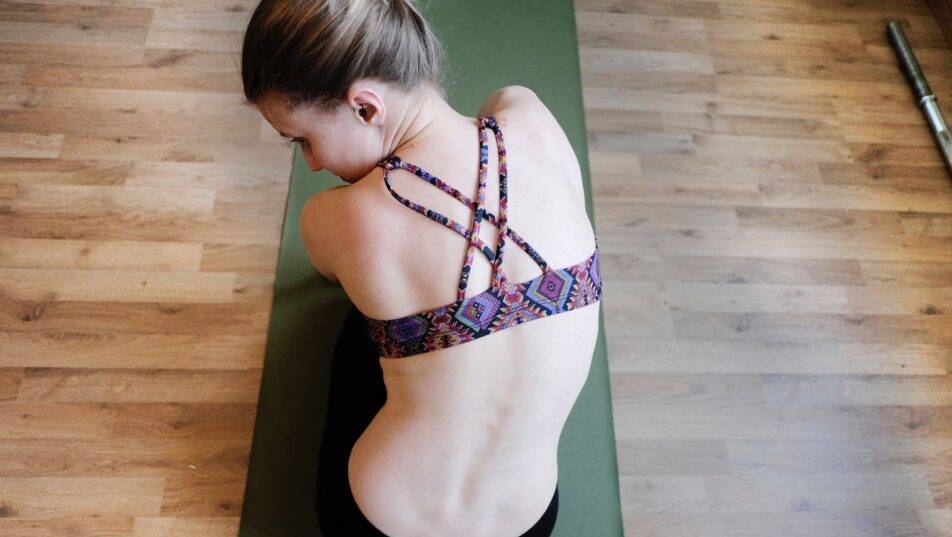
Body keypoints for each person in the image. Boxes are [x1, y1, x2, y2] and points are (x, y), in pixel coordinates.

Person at [240, 1, 602, 535]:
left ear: (365, 107)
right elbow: (501, 100)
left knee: (359, 324)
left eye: (303, 139)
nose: (312, 164)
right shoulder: (532, 120)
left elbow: (327, 272)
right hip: (528, 522)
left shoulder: (336, 217)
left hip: (376, 521)